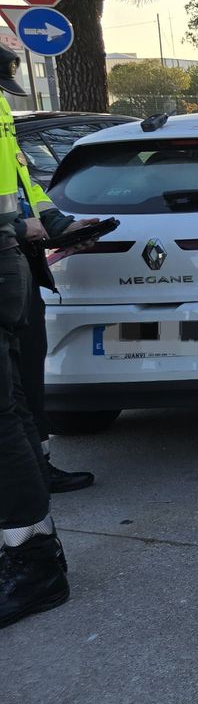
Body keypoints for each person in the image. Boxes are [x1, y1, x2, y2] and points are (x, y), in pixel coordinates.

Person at [0, 44, 70, 629]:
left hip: (7, 255)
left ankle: (31, 560)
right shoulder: (3, 114)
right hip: (10, 255)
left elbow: (16, 185)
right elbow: (17, 180)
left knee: (7, 408)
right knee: (11, 403)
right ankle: (28, 553)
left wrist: (32, 221)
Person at [16, 133, 94, 492]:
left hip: (19, 271)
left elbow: (25, 190)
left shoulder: (3, 121)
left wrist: (62, 226)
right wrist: (17, 227)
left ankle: (37, 469)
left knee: (27, 380)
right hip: (10, 265)